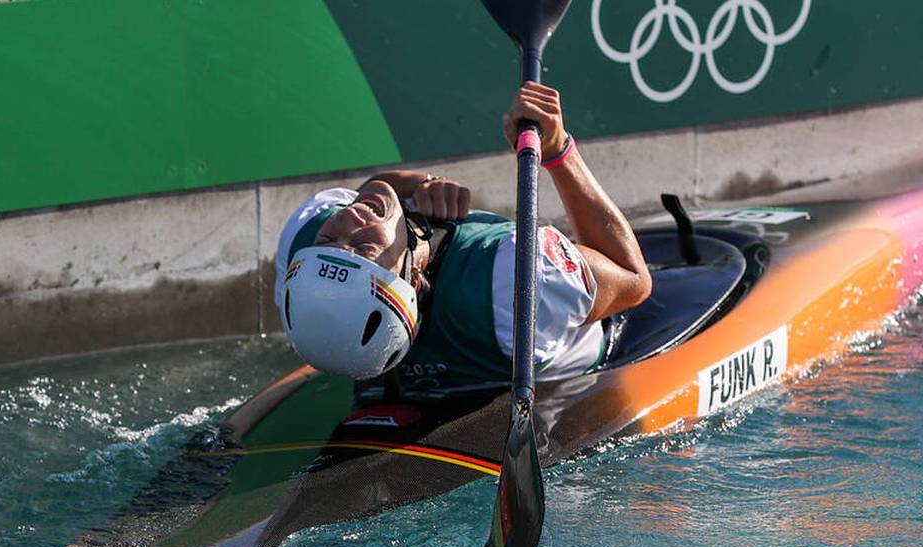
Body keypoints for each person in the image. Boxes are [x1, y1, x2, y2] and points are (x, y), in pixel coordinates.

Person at [274, 83, 651, 394]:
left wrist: (416, 185)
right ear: (412, 278)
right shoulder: (519, 277)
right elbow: (633, 279)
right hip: (552, 341)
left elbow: (370, 193)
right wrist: (558, 151)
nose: (350, 219)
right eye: (364, 248)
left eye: (330, 241)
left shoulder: (304, 239)